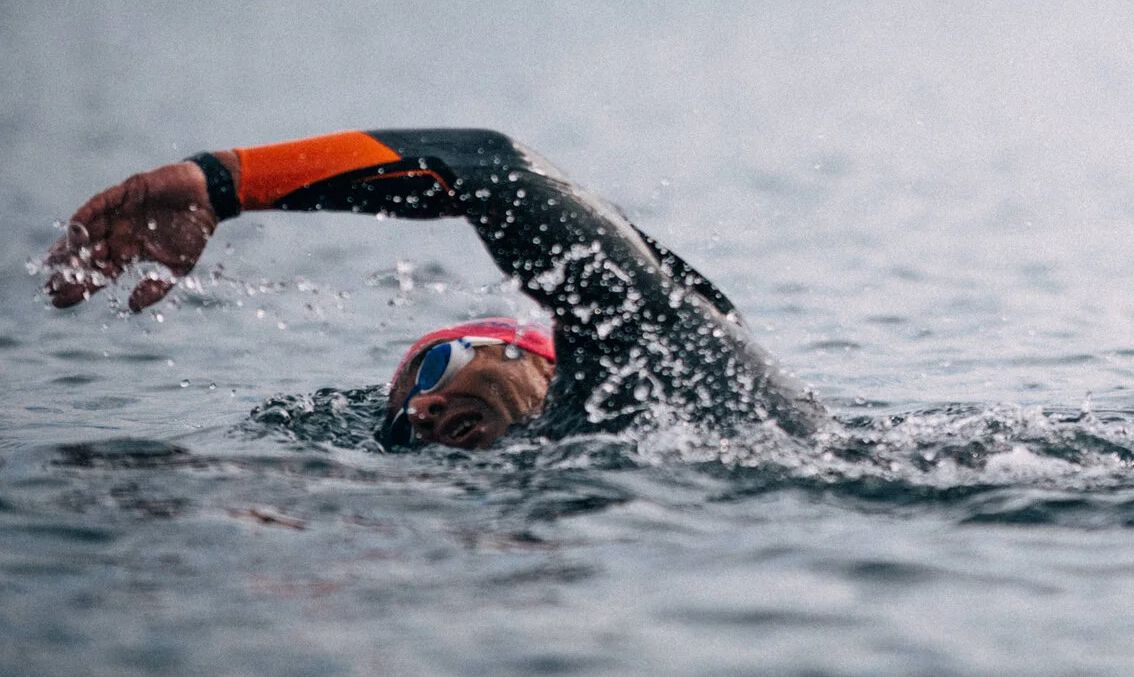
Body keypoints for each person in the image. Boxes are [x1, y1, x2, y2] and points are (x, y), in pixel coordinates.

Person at [43, 128, 827, 449]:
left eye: (433, 366)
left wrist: (228, 181)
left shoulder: (652, 346)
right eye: (403, 415)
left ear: (534, 355)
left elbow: (492, 166)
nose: (418, 407)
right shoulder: (574, 460)